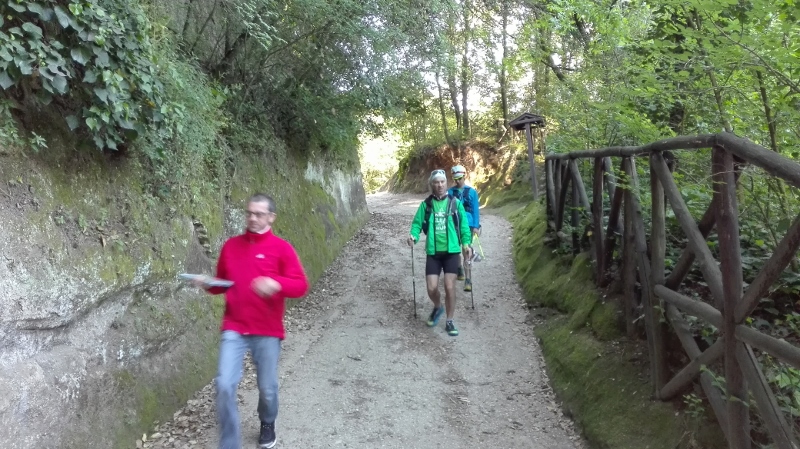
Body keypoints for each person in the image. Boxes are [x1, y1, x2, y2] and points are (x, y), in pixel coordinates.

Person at [195, 193, 309, 449]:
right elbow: (223, 284)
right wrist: (208, 283)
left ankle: (267, 422)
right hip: (234, 326)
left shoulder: (282, 248)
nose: (252, 218)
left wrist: (276, 283)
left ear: (271, 217)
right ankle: (230, 442)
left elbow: (301, 285)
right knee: (224, 384)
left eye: (259, 214)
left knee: (267, 388)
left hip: (267, 330)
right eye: (249, 213)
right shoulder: (231, 246)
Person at [407, 169, 473, 337]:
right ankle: (438, 306)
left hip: (451, 252)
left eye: (442, 181)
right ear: (432, 184)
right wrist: (413, 236)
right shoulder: (426, 205)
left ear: (446, 183)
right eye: (436, 182)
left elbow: (464, 227)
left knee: (450, 287)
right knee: (431, 288)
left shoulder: (455, 203)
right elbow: (416, 224)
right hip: (433, 253)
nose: (440, 185)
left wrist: (466, 245)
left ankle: (449, 320)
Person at [448, 165, 481, 292]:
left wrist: (476, 226)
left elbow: (475, 210)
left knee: (467, 251)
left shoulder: (472, 192)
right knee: (456, 249)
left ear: (464, 176)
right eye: (455, 179)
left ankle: (468, 279)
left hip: (469, 225)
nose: (457, 181)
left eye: (460, 178)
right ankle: (459, 269)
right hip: (454, 224)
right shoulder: (450, 192)